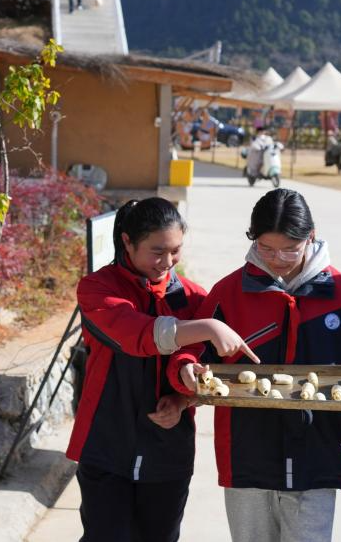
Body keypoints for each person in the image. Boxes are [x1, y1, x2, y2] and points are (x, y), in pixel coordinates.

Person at [171, 188, 341, 542]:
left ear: (311, 236)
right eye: (266, 248)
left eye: (290, 249)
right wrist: (186, 368)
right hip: (248, 454)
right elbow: (192, 351)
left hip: (319, 455)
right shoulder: (229, 292)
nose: (278, 259)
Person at [69, 197, 258, 542]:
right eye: (157, 251)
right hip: (106, 444)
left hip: (168, 452)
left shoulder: (194, 298)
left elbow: (200, 369)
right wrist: (208, 327)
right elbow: (137, 335)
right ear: (127, 242)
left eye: (175, 251)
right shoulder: (97, 289)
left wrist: (184, 400)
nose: (168, 262)